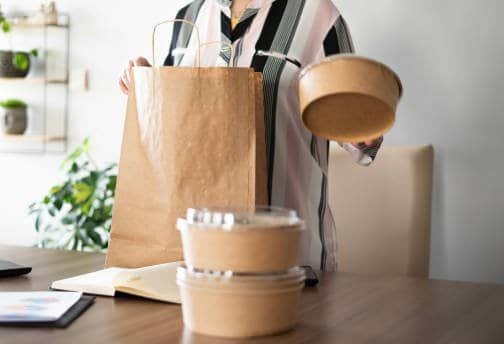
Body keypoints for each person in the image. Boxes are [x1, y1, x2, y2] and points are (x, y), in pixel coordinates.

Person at [118, 0, 383, 272]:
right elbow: (173, 130)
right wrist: (146, 82)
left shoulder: (319, 16)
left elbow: (356, 131)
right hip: (196, 258)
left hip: (289, 255)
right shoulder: (188, 18)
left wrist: (365, 127)